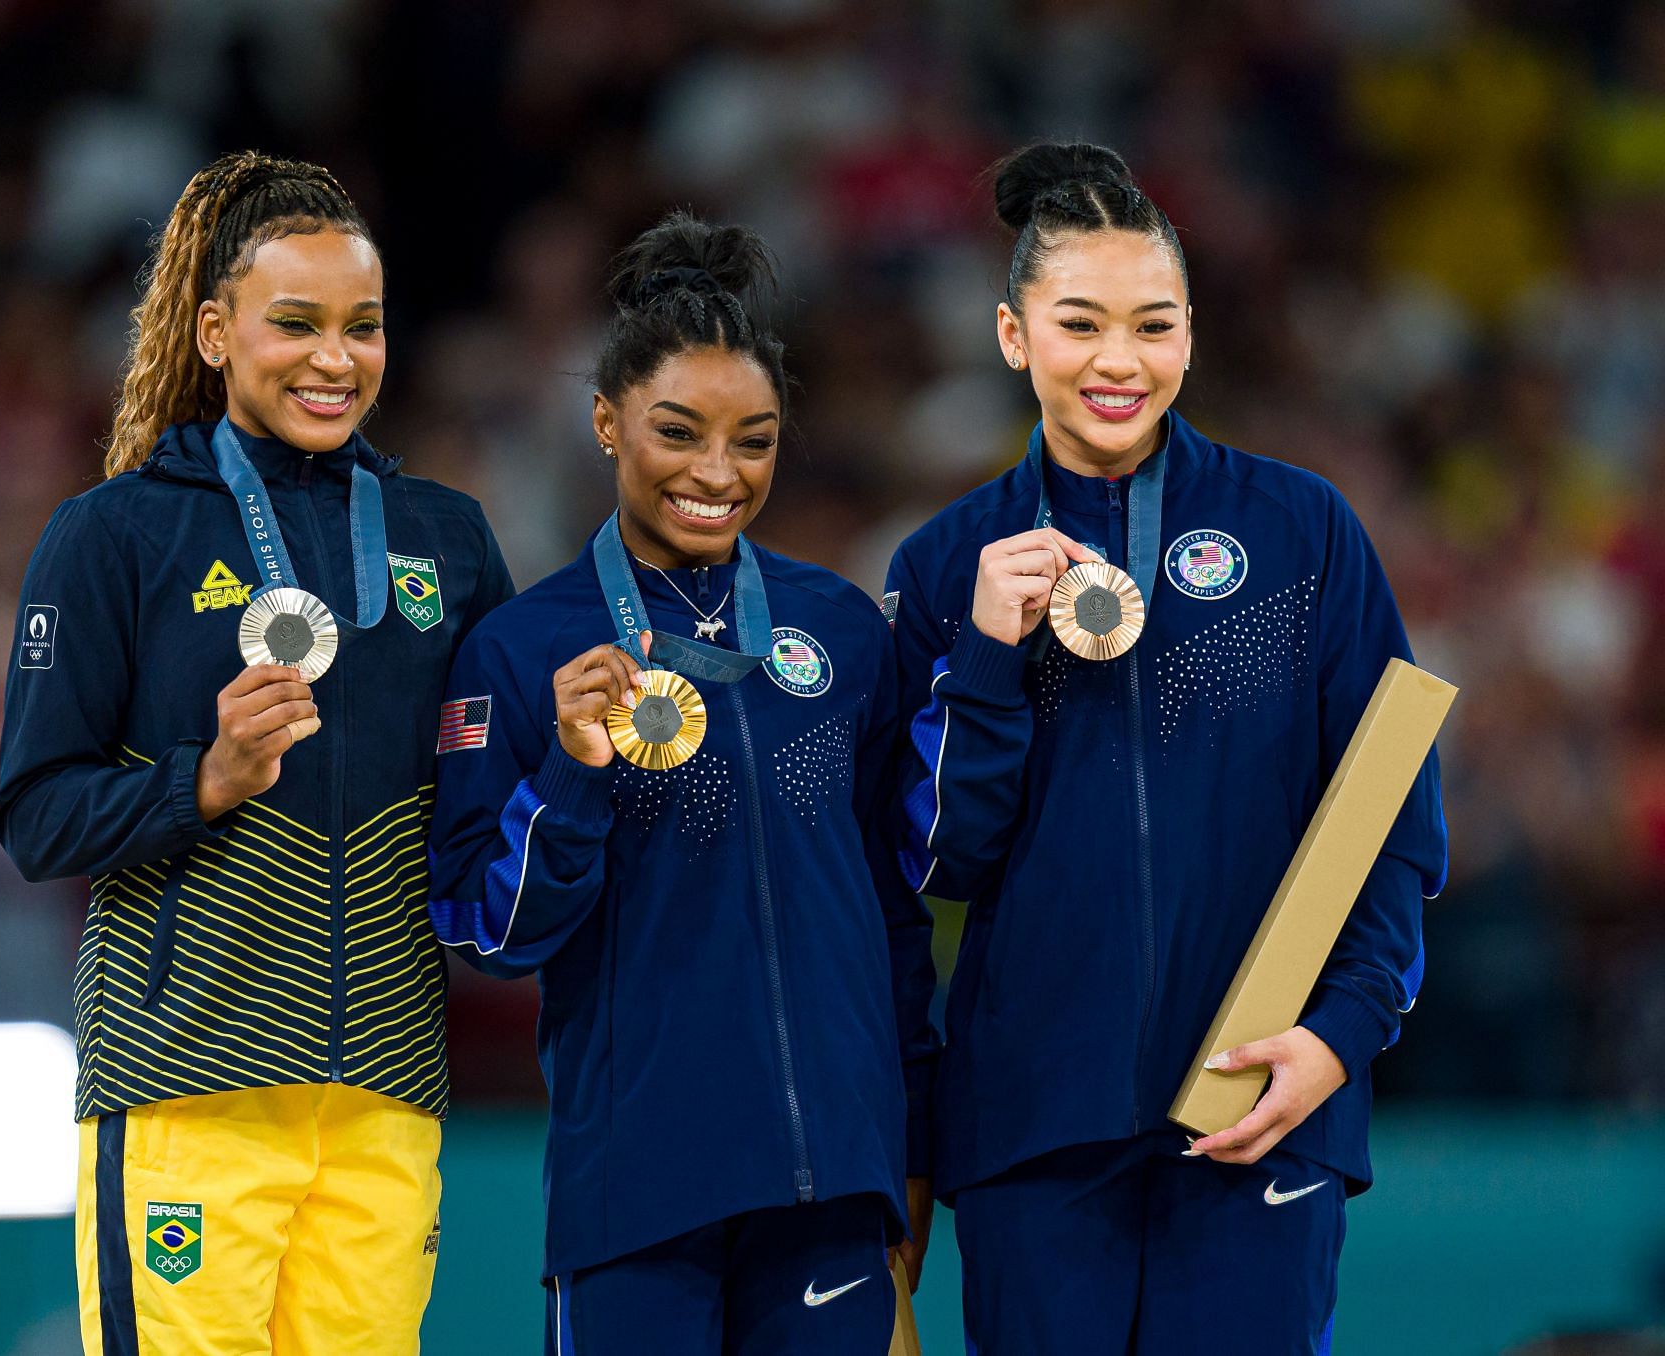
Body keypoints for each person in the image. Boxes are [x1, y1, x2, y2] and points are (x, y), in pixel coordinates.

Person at [885, 142, 1447, 1354]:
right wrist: (985, 657)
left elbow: (1394, 818)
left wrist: (1337, 1038)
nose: (1119, 362)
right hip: (1036, 1124)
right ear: (1012, 335)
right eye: (1079, 323)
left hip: (1265, 1101)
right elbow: (941, 859)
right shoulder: (947, 566)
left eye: (1154, 324)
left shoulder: (1303, 532)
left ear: (1191, 336)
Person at [0, 150, 512, 1355]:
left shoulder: (451, 537)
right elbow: (34, 816)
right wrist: (204, 780)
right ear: (218, 331)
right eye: (297, 324)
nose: (336, 358)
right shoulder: (115, 534)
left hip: (387, 1094)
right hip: (188, 1088)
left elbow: (498, 792)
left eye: (363, 327)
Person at [425, 213, 940, 1356]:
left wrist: (912, 1138)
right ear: (606, 422)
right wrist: (571, 765)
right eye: (678, 431)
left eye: (753, 440)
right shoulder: (521, 651)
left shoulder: (839, 632)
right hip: (636, 1196)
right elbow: (485, 929)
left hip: (831, 1191)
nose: (717, 473)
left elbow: (893, 914)